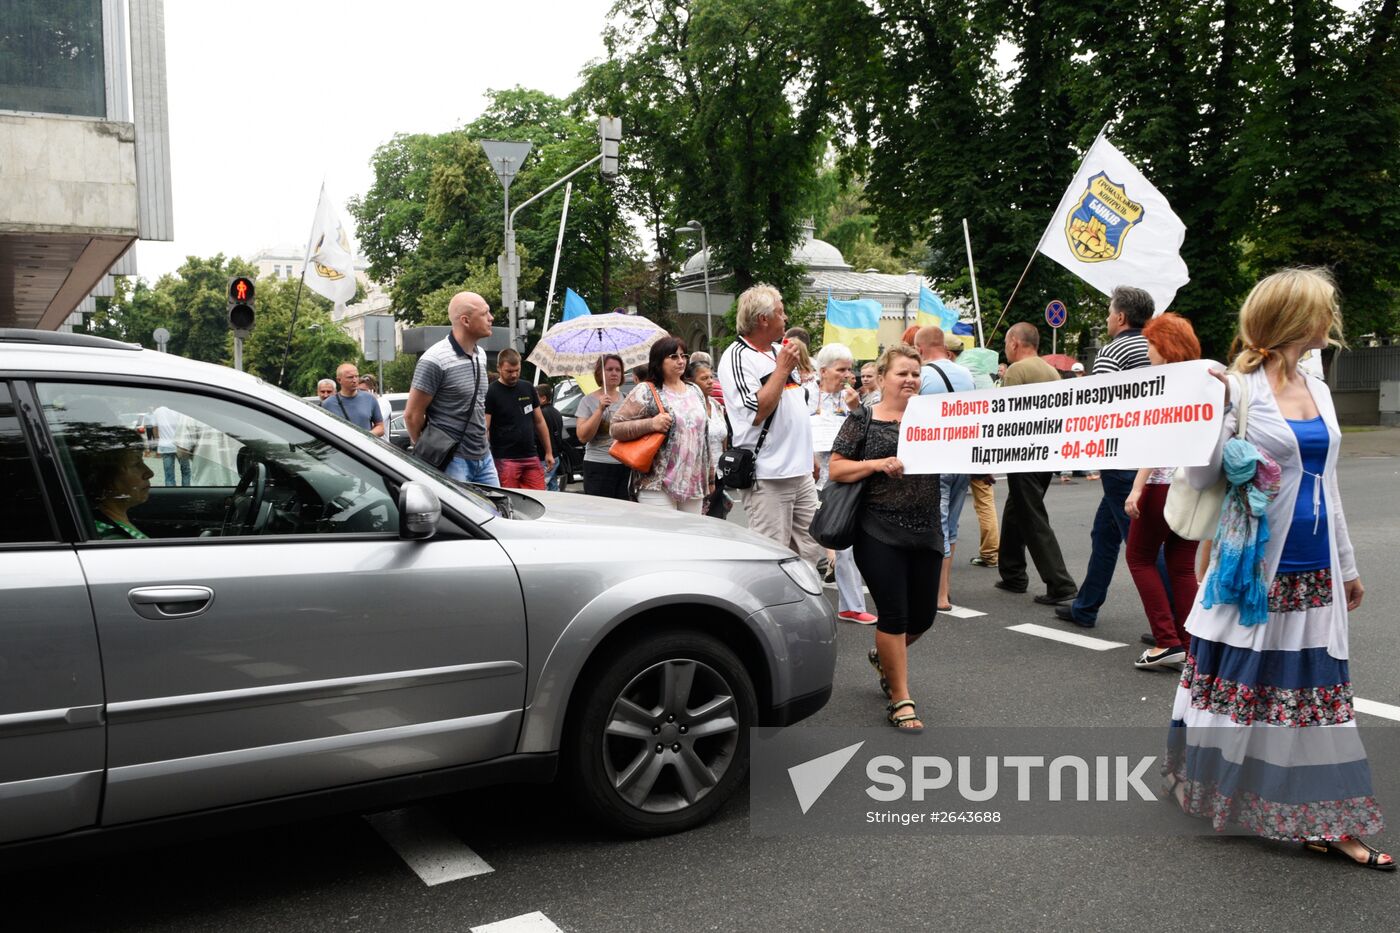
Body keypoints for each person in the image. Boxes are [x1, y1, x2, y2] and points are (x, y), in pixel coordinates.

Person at [1165, 268, 1389, 871]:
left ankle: (1324, 818)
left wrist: (1347, 564)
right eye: (1324, 309)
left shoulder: (1316, 383)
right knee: (1242, 688)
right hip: (1252, 570)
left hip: (1314, 570)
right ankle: (1213, 785)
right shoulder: (1237, 389)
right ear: (1297, 318)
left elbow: (1328, 485)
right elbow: (1198, 478)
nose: (1331, 319)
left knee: (1313, 698)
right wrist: (1217, 436)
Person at [828, 345, 942, 732]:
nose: (910, 379)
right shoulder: (864, 418)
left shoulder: (935, 418)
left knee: (923, 617)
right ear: (883, 376)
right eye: (902, 373)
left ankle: (885, 657)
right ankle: (900, 698)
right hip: (877, 528)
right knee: (893, 613)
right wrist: (877, 464)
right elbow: (837, 469)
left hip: (926, 526)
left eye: (915, 373)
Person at [1053, 286, 1155, 628]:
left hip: (1121, 457)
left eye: (1110, 313)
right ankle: (1086, 606)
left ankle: (1173, 625)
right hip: (1148, 455)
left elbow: (1099, 403)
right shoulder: (1156, 347)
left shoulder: (1115, 351)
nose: (1108, 318)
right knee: (1104, 534)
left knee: (1141, 546)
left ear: (1121, 317)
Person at [717, 284, 825, 568]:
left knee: (810, 549)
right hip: (768, 475)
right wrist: (781, 370)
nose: (786, 318)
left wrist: (809, 454)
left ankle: (804, 609)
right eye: (781, 311)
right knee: (772, 554)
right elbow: (757, 412)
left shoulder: (779, 350)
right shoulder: (736, 357)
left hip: (800, 472)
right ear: (763, 319)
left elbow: (796, 409)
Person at [1123, 313, 1203, 668]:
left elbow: (1156, 443)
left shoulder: (1165, 386)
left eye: (1151, 345)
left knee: (1139, 558)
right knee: (1182, 566)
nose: (1148, 352)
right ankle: (1191, 642)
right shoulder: (1203, 381)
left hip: (1161, 484)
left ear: (1165, 347)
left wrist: (1136, 488)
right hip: (1195, 485)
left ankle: (1167, 641)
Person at [994, 322, 1078, 605]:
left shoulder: (1017, 371)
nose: (1006, 349)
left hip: (1023, 452)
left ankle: (1060, 583)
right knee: (1015, 510)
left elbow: (1008, 414)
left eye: (1007, 343)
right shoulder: (1050, 370)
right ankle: (1012, 572)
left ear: (1015, 343)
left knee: (1031, 516)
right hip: (1046, 450)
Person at [810, 342, 875, 624]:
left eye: (850, 369)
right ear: (823, 371)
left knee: (846, 541)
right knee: (806, 542)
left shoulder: (853, 400)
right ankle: (802, 607)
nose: (848, 375)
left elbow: (865, 435)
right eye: (841, 369)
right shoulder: (805, 395)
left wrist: (855, 409)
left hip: (841, 477)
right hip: (808, 476)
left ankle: (851, 605)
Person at [404, 291, 498, 485]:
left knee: (497, 512)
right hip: (453, 460)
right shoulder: (434, 359)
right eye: (485, 313)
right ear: (465, 320)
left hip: (484, 457)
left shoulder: (479, 354)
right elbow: (412, 415)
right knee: (458, 515)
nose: (491, 318)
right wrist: (429, 450)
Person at [610, 337, 711, 512]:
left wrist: (709, 476)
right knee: (664, 537)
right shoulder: (647, 390)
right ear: (658, 361)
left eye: (683, 355)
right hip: (657, 483)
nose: (681, 361)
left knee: (692, 537)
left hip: (693, 482)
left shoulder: (695, 391)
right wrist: (651, 424)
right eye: (673, 356)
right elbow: (615, 428)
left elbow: (704, 437)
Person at [914, 325, 975, 612]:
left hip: (933, 458)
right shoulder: (965, 374)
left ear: (920, 349)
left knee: (935, 525)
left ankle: (939, 595)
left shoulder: (922, 376)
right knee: (950, 525)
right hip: (961, 456)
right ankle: (943, 590)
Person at [485, 348, 553, 490]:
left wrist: (548, 451)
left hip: (530, 456)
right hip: (505, 459)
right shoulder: (492, 391)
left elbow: (540, 421)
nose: (514, 375)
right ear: (499, 368)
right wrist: (486, 457)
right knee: (511, 500)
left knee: (541, 499)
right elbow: (486, 427)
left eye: (517, 370)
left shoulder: (527, 387)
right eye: (509, 371)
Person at [576, 353, 631, 499]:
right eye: (609, 369)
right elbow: (582, 436)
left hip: (624, 465)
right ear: (600, 373)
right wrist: (599, 410)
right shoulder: (587, 401)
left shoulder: (628, 399)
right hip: (598, 465)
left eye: (618, 370)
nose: (614, 373)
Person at [81, 430, 154, 540]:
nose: (149, 473)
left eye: (142, 461)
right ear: (105, 477)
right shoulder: (112, 539)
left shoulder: (101, 527)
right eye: (136, 464)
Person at [687, 359, 731, 519]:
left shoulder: (716, 405)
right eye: (704, 379)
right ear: (691, 382)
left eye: (711, 377)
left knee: (718, 521)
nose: (710, 382)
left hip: (719, 474)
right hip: (699, 475)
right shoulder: (690, 407)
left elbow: (723, 438)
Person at [322, 362, 385, 436]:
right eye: (350, 377)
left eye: (357, 376)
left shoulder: (370, 398)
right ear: (339, 380)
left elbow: (380, 427)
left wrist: (366, 436)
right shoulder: (328, 404)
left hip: (363, 446)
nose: (355, 380)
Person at [152, 404, 192, 486]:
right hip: (181, 445)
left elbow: (155, 428)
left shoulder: (158, 411)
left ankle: (171, 494)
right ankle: (186, 493)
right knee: (185, 471)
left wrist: (158, 442)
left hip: (165, 445)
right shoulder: (181, 410)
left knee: (169, 474)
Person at [537, 383, 566, 491]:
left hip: (544, 456)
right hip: (555, 455)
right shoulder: (556, 412)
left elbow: (539, 436)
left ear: (543, 398)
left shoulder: (541, 414)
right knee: (552, 486)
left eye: (536, 397)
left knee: (542, 487)